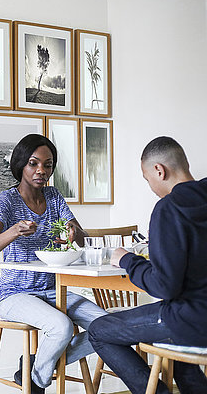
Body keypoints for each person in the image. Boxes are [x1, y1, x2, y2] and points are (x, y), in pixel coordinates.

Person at [0, 134, 107, 393]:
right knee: (60, 327)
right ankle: (39, 378)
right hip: (15, 294)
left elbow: (80, 237)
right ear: (21, 165)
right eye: (33, 163)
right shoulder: (8, 200)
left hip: (54, 289)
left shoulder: (53, 196)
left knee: (107, 326)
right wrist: (14, 230)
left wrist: (73, 233)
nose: (41, 170)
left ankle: (36, 370)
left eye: (47, 165)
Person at [88, 136, 207, 394]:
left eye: (147, 179)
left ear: (159, 170)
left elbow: (165, 287)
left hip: (191, 320)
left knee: (98, 330)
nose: (151, 187)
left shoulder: (168, 208)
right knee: (179, 355)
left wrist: (127, 260)